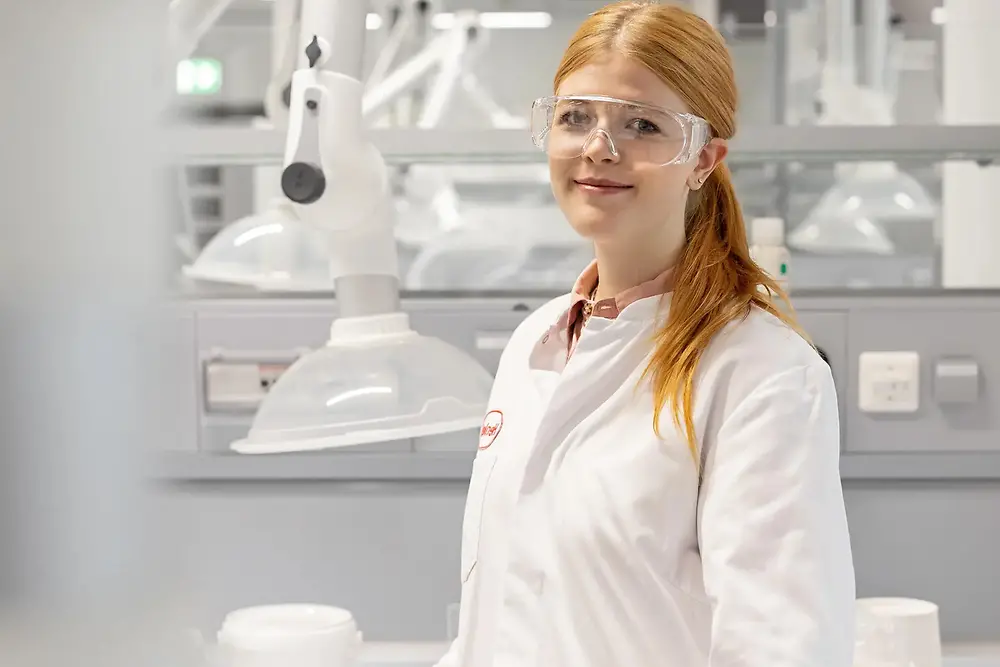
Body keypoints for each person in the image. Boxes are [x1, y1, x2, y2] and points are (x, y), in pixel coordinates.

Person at [435, 2, 856, 666]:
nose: (599, 147)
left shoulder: (761, 371)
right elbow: (499, 606)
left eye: (642, 124)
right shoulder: (534, 343)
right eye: (576, 117)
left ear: (703, 159)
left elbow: (780, 646)